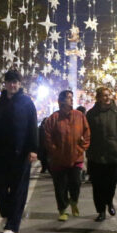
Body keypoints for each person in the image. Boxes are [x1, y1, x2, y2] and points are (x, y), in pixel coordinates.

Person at [0, 69, 38, 233]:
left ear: (20, 83)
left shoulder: (26, 103)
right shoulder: (0, 102)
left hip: (21, 153)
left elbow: (33, 126)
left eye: (16, 81)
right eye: (10, 81)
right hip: (2, 153)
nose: (13, 84)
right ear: (6, 83)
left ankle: (12, 225)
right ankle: (10, 214)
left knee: (18, 190)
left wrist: (33, 149)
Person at [41, 89, 90, 221]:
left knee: (75, 183)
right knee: (60, 187)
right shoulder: (53, 118)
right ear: (61, 101)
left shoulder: (79, 116)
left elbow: (87, 134)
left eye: (72, 97)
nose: (71, 99)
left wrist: (81, 148)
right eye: (69, 97)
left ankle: (74, 201)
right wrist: (55, 151)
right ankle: (62, 209)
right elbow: (47, 137)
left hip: (76, 157)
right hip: (58, 160)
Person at [85, 86, 117, 222]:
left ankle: (109, 201)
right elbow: (86, 133)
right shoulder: (91, 114)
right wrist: (88, 148)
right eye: (104, 95)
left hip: (112, 155)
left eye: (108, 95)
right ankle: (101, 210)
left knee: (111, 183)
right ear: (98, 98)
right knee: (97, 185)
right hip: (96, 156)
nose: (107, 97)